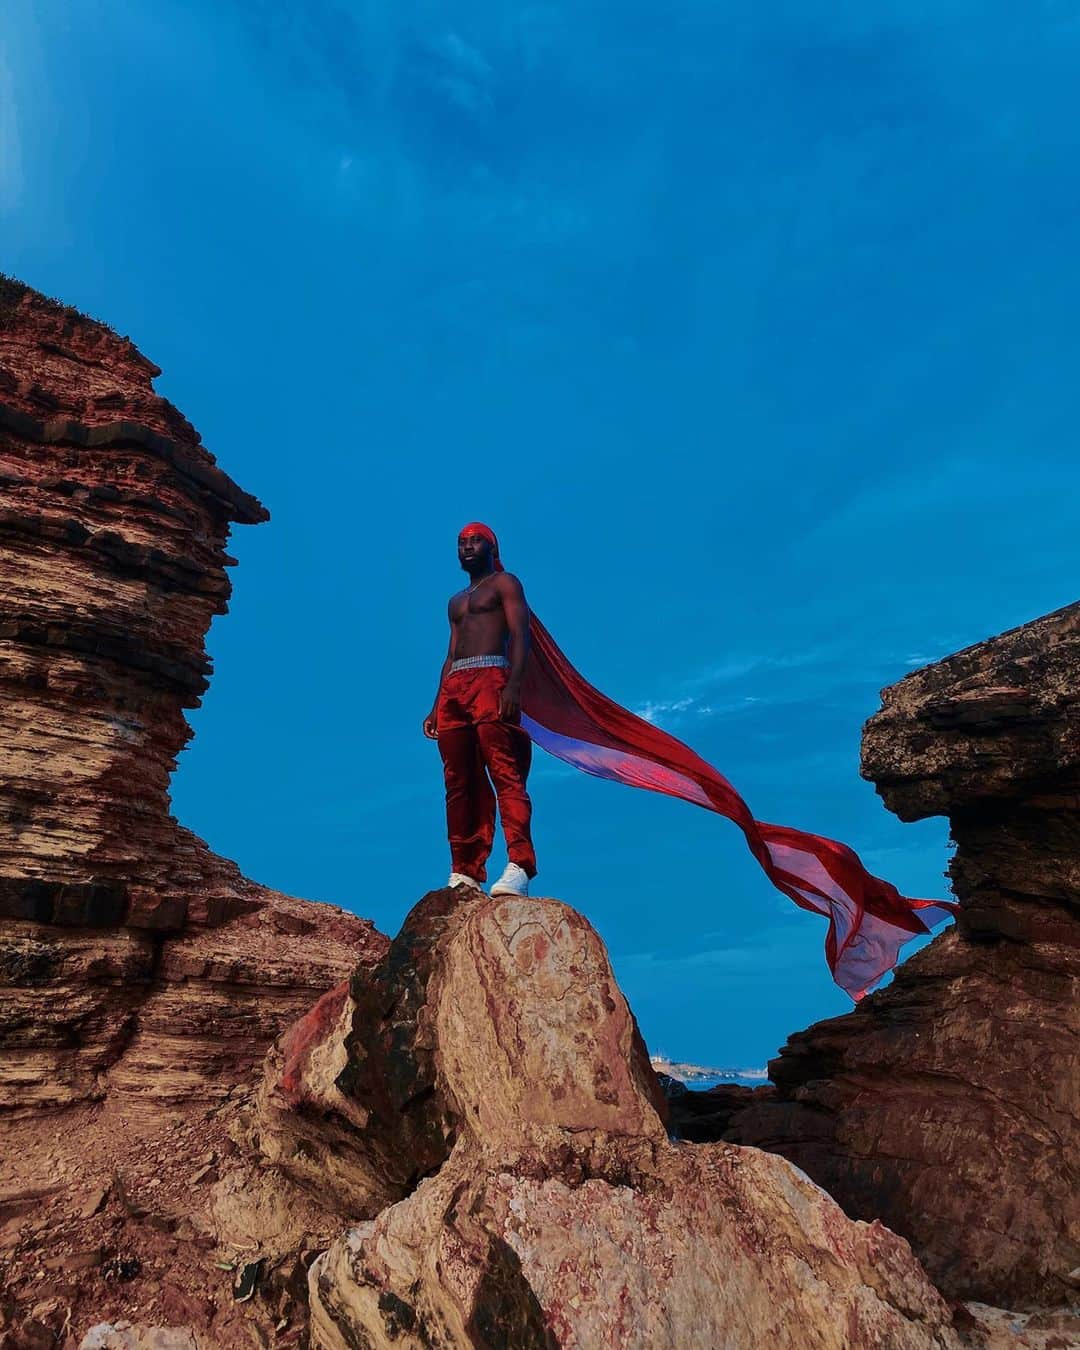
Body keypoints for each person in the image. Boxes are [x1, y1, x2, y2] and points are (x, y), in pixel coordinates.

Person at [423, 522, 537, 897]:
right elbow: (450, 652)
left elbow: (522, 634)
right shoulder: (455, 601)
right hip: (456, 685)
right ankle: (464, 870)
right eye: (461, 543)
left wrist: (514, 685)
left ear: (492, 547)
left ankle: (519, 864)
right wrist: (437, 704)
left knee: (505, 773)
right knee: (458, 782)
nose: (467, 547)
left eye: (475, 541)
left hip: (492, 679)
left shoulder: (506, 584)